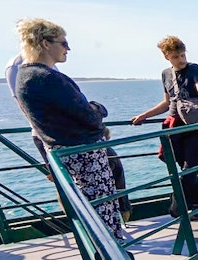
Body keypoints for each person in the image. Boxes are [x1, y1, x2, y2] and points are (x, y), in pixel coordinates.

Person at [12, 18, 124, 239]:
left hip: (67, 154)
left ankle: (106, 259)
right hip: (85, 157)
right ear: (45, 44)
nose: (68, 48)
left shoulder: (25, 76)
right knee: (102, 212)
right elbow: (89, 117)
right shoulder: (47, 78)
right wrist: (99, 108)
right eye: (63, 43)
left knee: (91, 213)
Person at [131, 36, 198, 219]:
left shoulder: (194, 69)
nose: (181, 60)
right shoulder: (166, 74)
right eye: (176, 57)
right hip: (175, 129)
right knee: (186, 170)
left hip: (194, 128)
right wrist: (144, 115)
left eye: (183, 55)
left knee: (189, 170)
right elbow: (167, 103)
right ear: (167, 57)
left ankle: (176, 205)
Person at [103, 128, 131, 223]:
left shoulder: (107, 153)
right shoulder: (109, 150)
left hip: (116, 186)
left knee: (121, 202)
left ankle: (124, 217)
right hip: (118, 185)